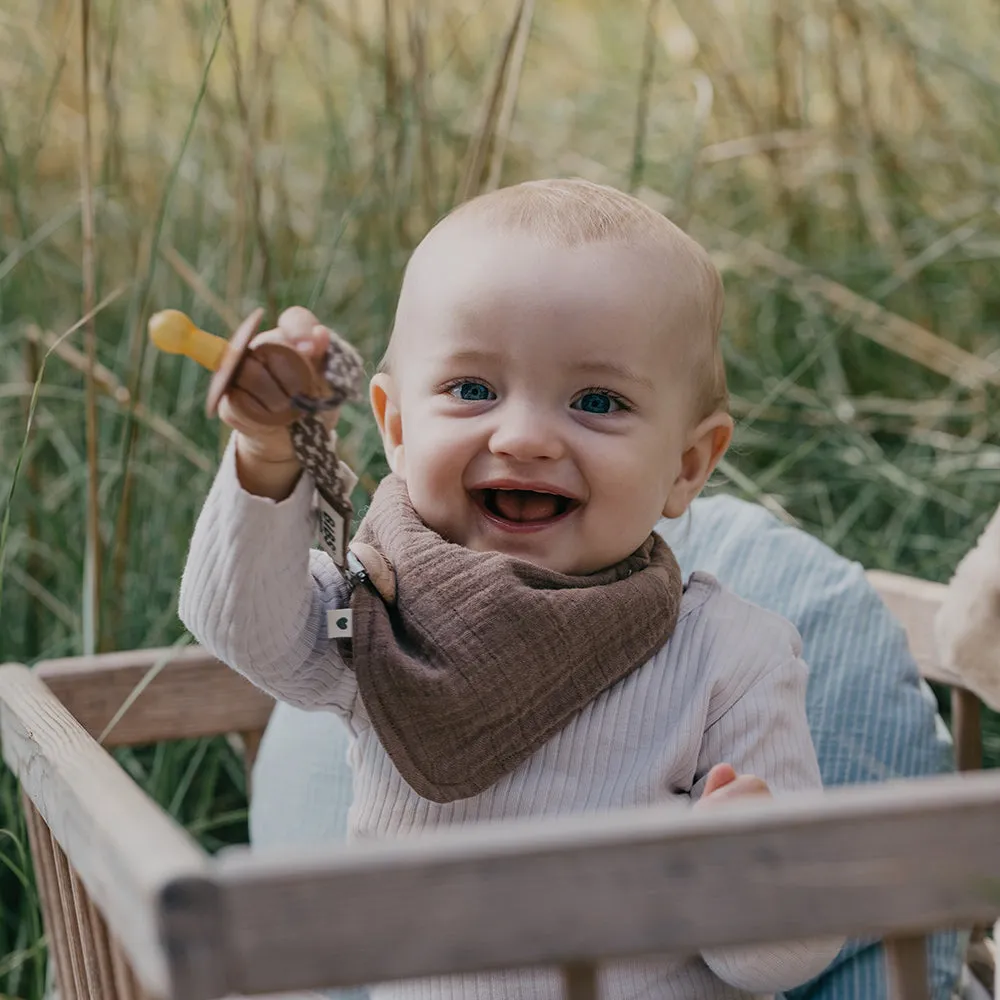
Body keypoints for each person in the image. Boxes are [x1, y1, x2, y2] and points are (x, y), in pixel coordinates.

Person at [179, 178, 842, 998]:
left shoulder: (730, 656)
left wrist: (755, 879)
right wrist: (265, 453)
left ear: (687, 465)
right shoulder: (382, 610)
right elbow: (242, 626)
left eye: (597, 402)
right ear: (394, 426)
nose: (524, 437)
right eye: (471, 390)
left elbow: (780, 963)